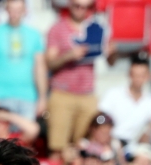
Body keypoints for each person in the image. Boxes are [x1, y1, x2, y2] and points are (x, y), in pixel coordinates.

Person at [45, 0, 116, 155]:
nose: (81, 10)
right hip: (62, 94)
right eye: (77, 5)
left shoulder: (97, 29)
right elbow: (49, 63)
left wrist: (112, 52)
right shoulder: (57, 29)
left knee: (83, 146)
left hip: (87, 94)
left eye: (86, 7)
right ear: (70, 5)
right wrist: (68, 56)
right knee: (58, 147)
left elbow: (111, 62)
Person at [0, 0, 48, 121]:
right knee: (1, 138)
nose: (14, 14)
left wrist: (42, 97)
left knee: (26, 136)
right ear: (6, 10)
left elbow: (40, 68)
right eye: (11, 10)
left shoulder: (34, 35)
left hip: (28, 97)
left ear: (25, 11)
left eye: (18, 10)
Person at [98, 54, 151, 146]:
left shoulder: (148, 101)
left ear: (148, 76)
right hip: (110, 143)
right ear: (129, 75)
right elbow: (100, 120)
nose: (138, 79)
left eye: (142, 75)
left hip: (134, 146)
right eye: (135, 75)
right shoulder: (113, 94)